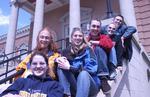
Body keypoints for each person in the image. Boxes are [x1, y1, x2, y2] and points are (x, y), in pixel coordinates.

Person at [56, 27, 100, 97]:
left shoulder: (88, 50)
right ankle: (66, 95)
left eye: (80, 36)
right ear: (71, 38)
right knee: (60, 65)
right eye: (75, 36)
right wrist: (57, 60)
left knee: (83, 74)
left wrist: (70, 68)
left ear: (83, 38)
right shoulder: (65, 51)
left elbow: (92, 69)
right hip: (74, 85)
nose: (78, 38)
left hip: (90, 86)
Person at [87, 19, 113, 93]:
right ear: (89, 27)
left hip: (103, 65)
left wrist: (95, 42)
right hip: (91, 66)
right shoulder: (85, 39)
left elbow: (110, 45)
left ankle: (103, 78)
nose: (95, 28)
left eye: (98, 27)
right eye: (93, 26)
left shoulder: (104, 37)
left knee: (99, 48)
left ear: (100, 28)